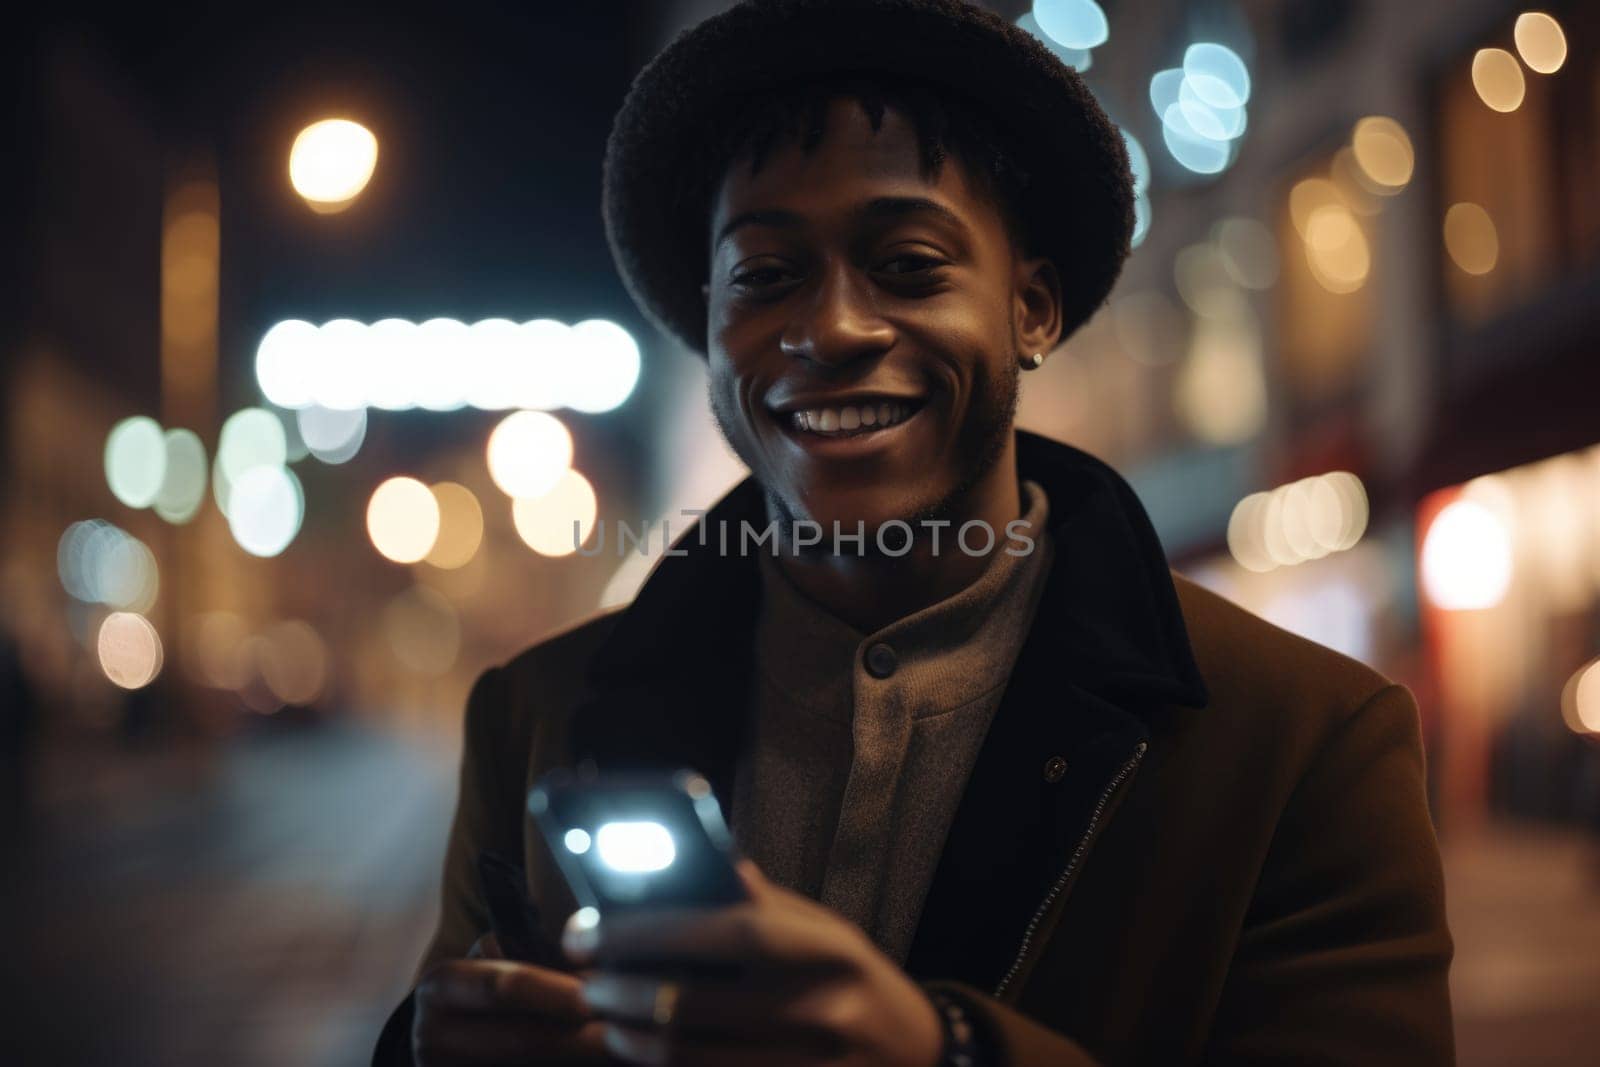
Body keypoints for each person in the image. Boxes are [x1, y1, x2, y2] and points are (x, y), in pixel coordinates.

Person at [374, 1, 1454, 1063]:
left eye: (909, 265)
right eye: (764, 275)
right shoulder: (531, 718)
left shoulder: (1308, 741)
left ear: (1029, 309)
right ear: (707, 324)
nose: (832, 327)